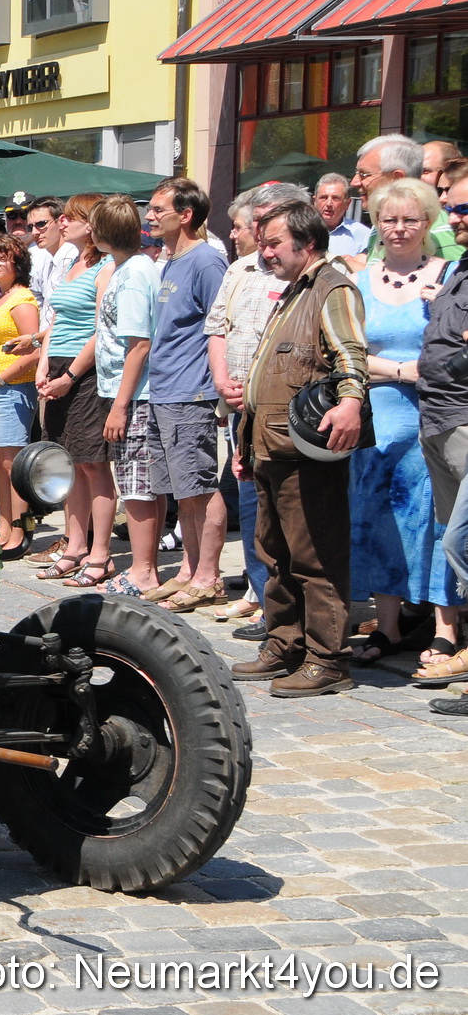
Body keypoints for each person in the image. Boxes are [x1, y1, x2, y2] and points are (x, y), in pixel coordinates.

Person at [231, 198, 368, 697]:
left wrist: (351, 402)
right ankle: (285, 643)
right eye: (262, 243)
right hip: (270, 446)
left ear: (306, 243)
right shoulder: (293, 291)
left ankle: (328, 659)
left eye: (273, 243)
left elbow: (350, 352)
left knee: (316, 555)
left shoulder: (332, 289)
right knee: (275, 553)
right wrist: (244, 442)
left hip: (305, 452)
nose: (264, 252)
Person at [346, 177, 459, 668]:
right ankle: (388, 626)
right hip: (376, 417)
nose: (398, 228)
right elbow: (347, 353)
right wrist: (396, 370)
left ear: (429, 221)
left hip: (437, 414)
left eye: (410, 219)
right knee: (379, 520)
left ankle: (445, 628)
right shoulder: (360, 280)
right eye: (388, 219)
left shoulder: (451, 275)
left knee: (438, 521)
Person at [204, 184, 299, 630]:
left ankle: (286, 606)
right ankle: (262, 597)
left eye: (269, 220)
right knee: (250, 506)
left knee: (285, 510)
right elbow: (217, 327)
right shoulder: (240, 268)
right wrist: (223, 380)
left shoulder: (305, 270)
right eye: (255, 221)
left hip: (288, 411)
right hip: (240, 409)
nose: (260, 230)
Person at [141, 178, 230, 613]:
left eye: (159, 209)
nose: (150, 216)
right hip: (163, 390)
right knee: (181, 491)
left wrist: (219, 390)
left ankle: (209, 577)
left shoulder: (207, 261)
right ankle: (188, 571)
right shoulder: (170, 261)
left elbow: (221, 327)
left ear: (187, 214)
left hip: (191, 393)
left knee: (199, 487)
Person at [31, 196, 115, 587]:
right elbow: (56, 319)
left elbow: (102, 329)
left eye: (72, 217)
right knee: (68, 463)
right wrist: (45, 363)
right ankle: (75, 545)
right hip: (59, 364)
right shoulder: (69, 263)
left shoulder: (105, 267)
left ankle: (100, 553)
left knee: (93, 464)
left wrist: (72, 374)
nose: (62, 223)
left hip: (86, 371)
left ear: (92, 224)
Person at [90, 197, 164, 597]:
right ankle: (144, 566)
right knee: (143, 484)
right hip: (126, 391)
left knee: (136, 486)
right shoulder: (125, 267)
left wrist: (120, 406)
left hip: (135, 396)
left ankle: (142, 571)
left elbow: (139, 344)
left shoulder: (135, 273)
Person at [415, 160, 468, 707]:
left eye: (462, 208)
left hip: (464, 422)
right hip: (439, 417)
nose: (452, 217)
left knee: (460, 541)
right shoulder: (462, 267)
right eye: (451, 206)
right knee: (455, 540)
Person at [0, 235, 41, 558]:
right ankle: (4, 527)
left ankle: (20, 530)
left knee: (13, 465)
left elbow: (33, 351)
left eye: (3, 258)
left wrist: (2, 377)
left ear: (18, 262)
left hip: (13, 388)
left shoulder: (23, 300)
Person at [315, 173, 371, 257]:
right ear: (314, 201)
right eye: (324, 197)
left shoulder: (362, 234)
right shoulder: (300, 230)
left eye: (335, 198)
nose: (329, 203)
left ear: (347, 204)